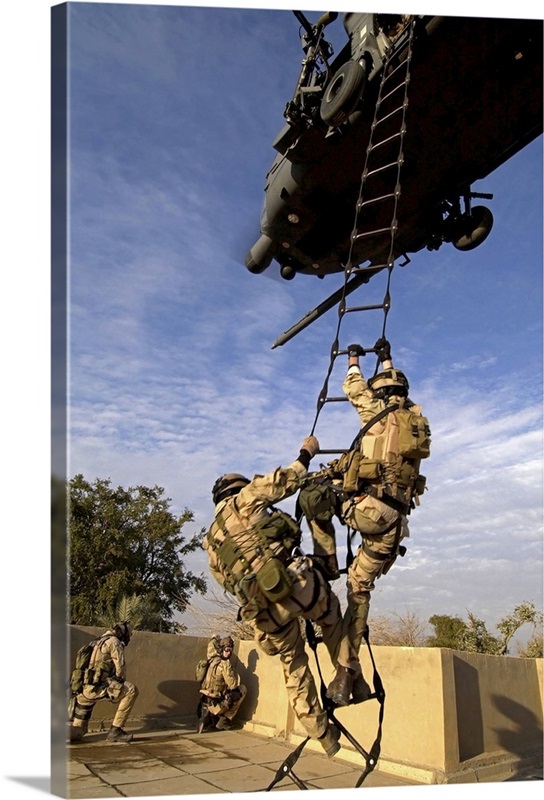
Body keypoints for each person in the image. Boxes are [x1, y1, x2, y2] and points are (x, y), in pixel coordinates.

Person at [203, 436, 358, 758]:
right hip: (298, 585)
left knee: (293, 665)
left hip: (263, 613)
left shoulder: (211, 544)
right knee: (330, 615)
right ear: (237, 487)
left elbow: (228, 584)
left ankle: (322, 734)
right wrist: (307, 452)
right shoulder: (245, 498)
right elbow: (287, 480)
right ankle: (344, 673)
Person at [299, 338, 430, 706]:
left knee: (312, 496)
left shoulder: (377, 414)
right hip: (394, 525)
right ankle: (348, 671)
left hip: (368, 512)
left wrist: (354, 358)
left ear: (382, 392)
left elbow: (352, 386)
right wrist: (386, 358)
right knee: (358, 588)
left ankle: (326, 557)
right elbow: (394, 386)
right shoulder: (416, 424)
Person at [68, 621, 139, 743]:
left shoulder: (95, 641)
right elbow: (120, 668)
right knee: (131, 690)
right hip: (99, 688)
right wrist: (118, 683)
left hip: (84, 691)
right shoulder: (114, 642)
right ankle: (115, 731)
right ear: (123, 633)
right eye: (129, 634)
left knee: (79, 731)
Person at [197, 635, 247, 733]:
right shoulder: (225, 665)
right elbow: (233, 685)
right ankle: (224, 720)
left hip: (204, 701)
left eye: (230, 650)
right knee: (241, 690)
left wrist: (215, 637)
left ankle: (210, 718)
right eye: (227, 650)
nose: (228, 653)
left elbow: (211, 646)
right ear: (222, 649)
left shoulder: (211, 657)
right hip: (216, 704)